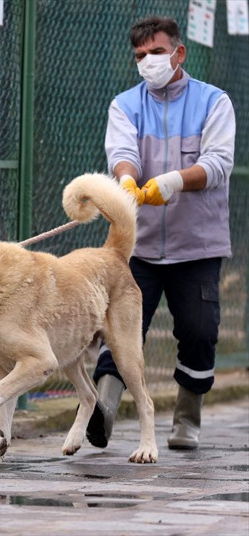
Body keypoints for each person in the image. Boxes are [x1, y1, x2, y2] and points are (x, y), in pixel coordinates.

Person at [87, 16, 235, 451]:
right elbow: (122, 152)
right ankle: (104, 407)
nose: (148, 61)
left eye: (156, 52)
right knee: (119, 327)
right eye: (140, 55)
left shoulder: (214, 102)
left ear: (178, 53)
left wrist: (172, 181)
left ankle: (187, 418)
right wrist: (126, 180)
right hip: (137, 246)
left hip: (197, 245)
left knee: (199, 331)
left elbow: (218, 163)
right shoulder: (124, 105)